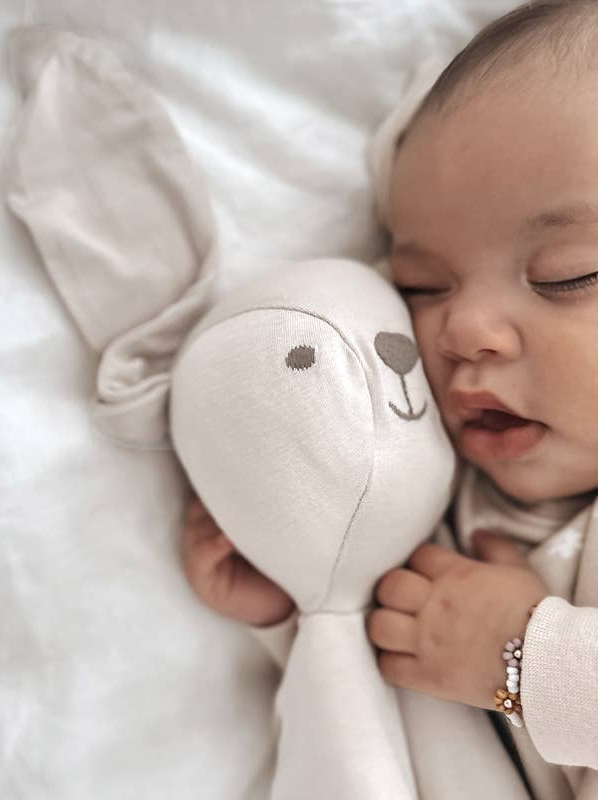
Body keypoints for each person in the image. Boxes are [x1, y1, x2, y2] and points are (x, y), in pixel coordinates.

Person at [182, 2, 598, 797]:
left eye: (567, 274)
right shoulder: (447, 503)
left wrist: (524, 659)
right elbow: (430, 725)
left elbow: (498, 677)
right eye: (421, 287)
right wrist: (308, 609)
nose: (463, 329)